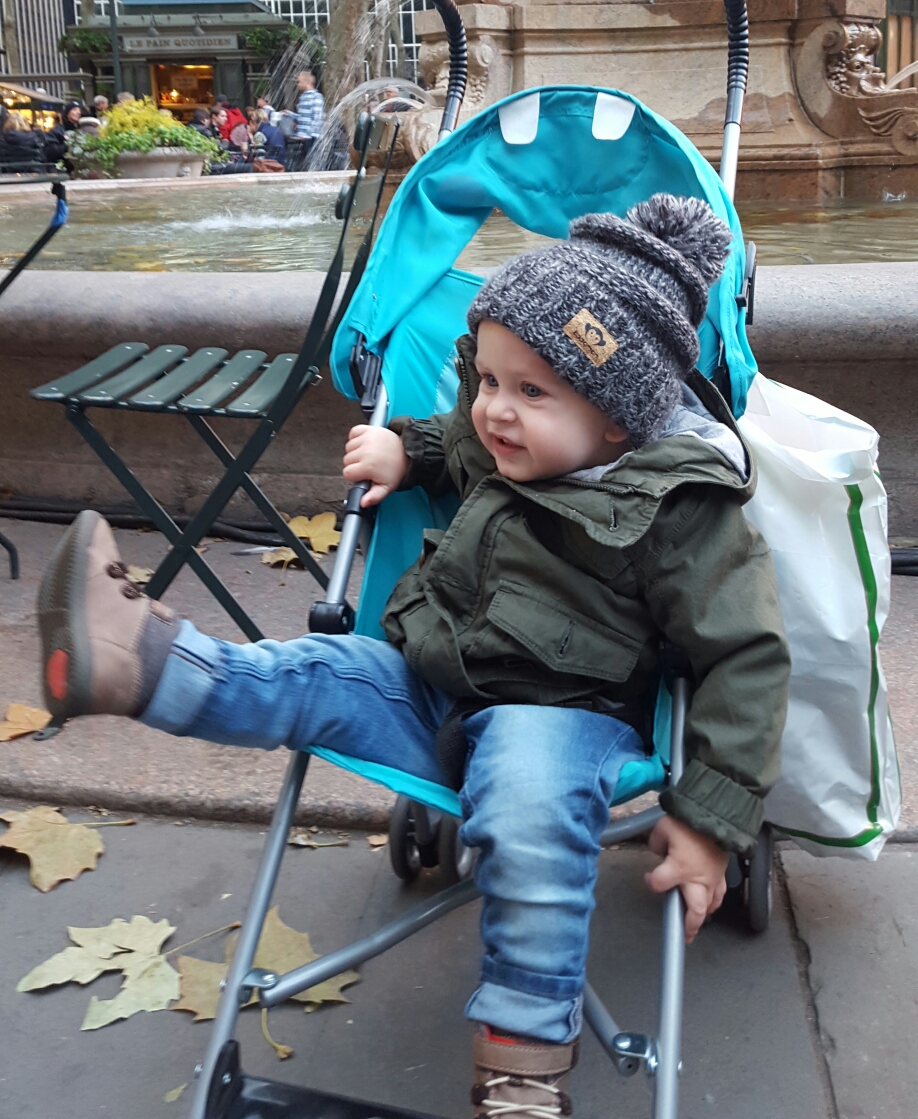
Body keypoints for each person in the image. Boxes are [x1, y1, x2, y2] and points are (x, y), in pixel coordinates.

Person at [36, 195, 790, 1119]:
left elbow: (747, 657)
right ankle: (138, 662)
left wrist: (711, 815)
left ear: (619, 420)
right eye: (489, 379)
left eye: (532, 392)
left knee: (527, 808)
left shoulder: (682, 509)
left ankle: (521, 1077)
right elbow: (458, 439)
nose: (496, 410)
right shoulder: (500, 439)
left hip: (565, 721)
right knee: (310, 673)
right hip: (428, 678)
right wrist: (404, 449)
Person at [286, 67, 325, 170]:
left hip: (312, 138)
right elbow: (303, 117)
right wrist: (289, 114)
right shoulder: (303, 97)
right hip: (303, 137)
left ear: (307, 82)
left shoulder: (316, 97)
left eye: (299, 82)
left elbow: (317, 118)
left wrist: (307, 134)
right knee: (303, 165)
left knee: (312, 164)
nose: (297, 84)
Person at [0, 107, 45, 172]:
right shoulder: (34, 138)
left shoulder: (3, 139)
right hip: (32, 173)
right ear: (25, 123)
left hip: (8, 174)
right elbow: (42, 158)